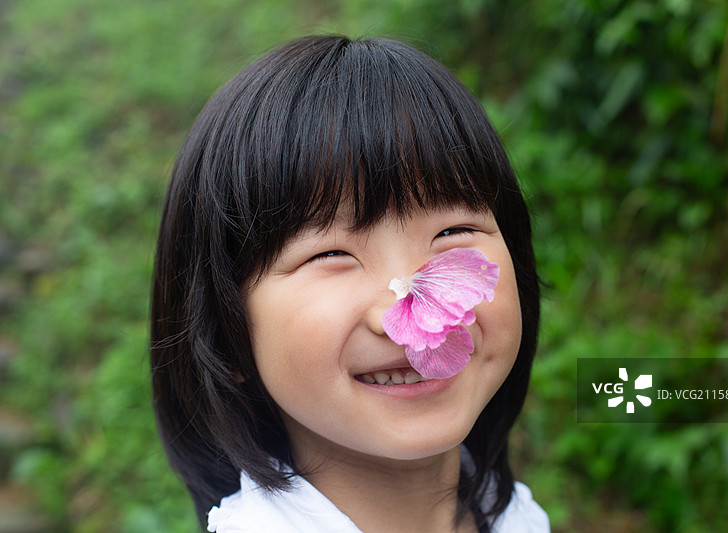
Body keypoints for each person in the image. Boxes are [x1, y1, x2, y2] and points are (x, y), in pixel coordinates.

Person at [150, 35, 549, 533]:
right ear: (225, 336)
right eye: (331, 254)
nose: (403, 308)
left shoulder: (516, 516)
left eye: (452, 232)